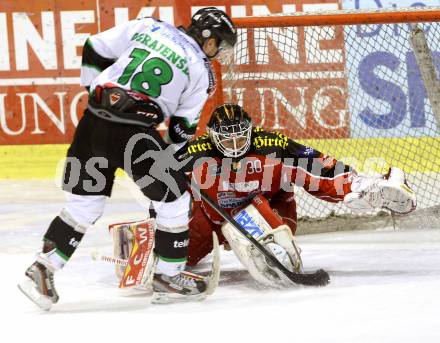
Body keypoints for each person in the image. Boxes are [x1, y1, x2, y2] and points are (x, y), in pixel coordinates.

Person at [18, 7, 237, 309]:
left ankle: (43, 268)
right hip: (134, 135)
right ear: (209, 40)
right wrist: (171, 163)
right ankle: (168, 277)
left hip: (92, 122)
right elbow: (181, 128)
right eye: (220, 45)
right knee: (174, 200)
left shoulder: (150, 26)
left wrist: (96, 94)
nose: (218, 53)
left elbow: (94, 46)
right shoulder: (201, 68)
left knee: (83, 205)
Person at [111, 103, 417, 288]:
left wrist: (354, 186)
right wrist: (157, 226)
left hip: (270, 210)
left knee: (257, 212)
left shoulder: (273, 144)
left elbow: (318, 169)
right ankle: (157, 251)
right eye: (225, 140)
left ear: (250, 131)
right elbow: (162, 189)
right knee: (177, 256)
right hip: (213, 218)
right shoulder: (194, 152)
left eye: (239, 137)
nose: (234, 145)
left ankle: (367, 190)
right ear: (212, 138)